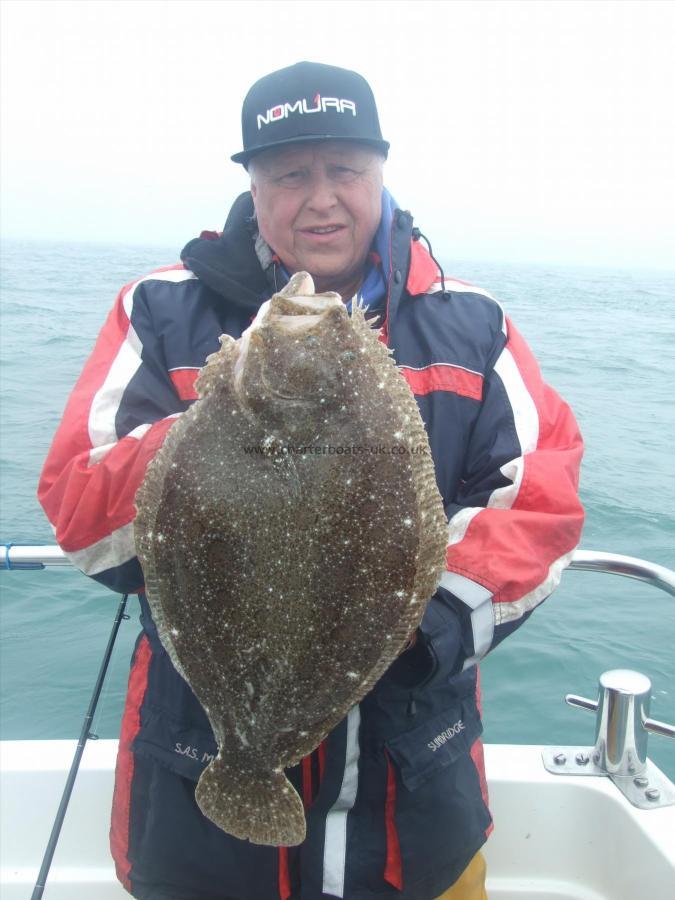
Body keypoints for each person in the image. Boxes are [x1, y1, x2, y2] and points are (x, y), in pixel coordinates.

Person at [38, 61, 584, 900]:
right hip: (195, 787)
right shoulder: (159, 309)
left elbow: (540, 504)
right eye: (290, 174)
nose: (321, 197)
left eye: (346, 171)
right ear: (253, 186)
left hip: (413, 791)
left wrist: (413, 631)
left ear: (380, 174)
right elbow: (81, 508)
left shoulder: (471, 325)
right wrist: (220, 425)